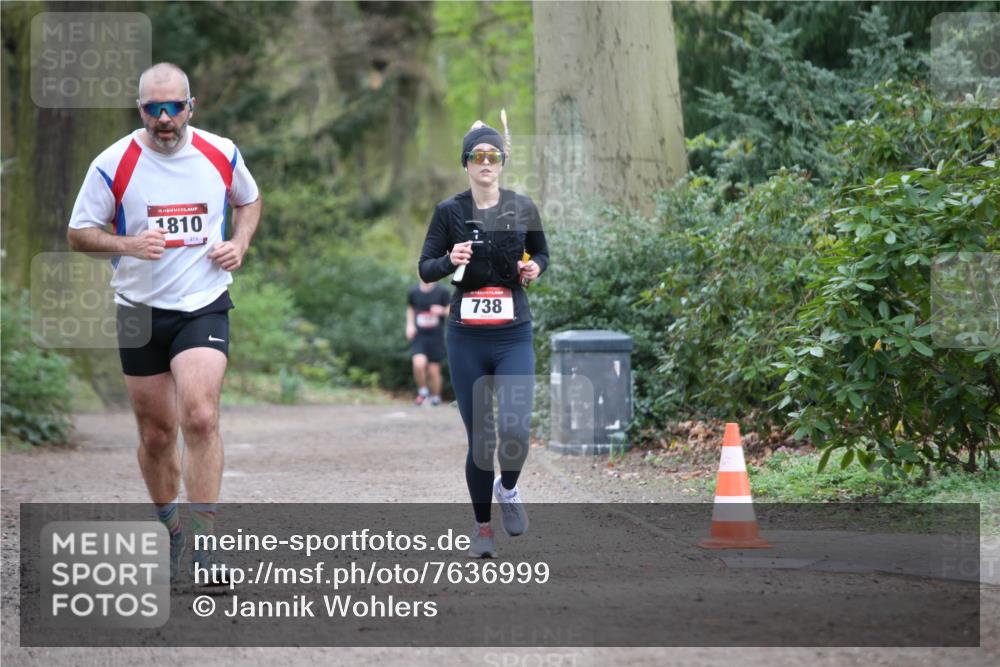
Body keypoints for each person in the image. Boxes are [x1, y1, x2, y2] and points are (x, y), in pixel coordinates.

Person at [66, 63, 262, 584]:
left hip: (203, 302)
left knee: (200, 416)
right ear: (141, 111)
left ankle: (206, 545)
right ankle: (172, 531)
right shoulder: (113, 163)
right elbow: (78, 233)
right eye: (154, 108)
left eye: (174, 106)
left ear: (190, 106)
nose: (165, 117)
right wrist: (129, 244)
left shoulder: (221, 152)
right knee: (157, 434)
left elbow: (249, 200)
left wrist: (238, 244)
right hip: (138, 309)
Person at [418, 121, 549, 557]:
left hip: (513, 333)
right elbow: (425, 268)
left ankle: (508, 489)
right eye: (478, 156)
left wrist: (535, 269)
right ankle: (483, 530)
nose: (486, 163)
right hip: (466, 337)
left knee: (515, 430)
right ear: (467, 163)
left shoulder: (523, 207)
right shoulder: (448, 211)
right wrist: (447, 259)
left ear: (502, 163)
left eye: (493, 156)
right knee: (482, 441)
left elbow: (542, 253)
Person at [406, 280, 450, 406]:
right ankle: (423, 392)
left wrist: (442, 310)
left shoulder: (442, 291)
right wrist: (409, 325)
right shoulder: (413, 291)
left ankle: (436, 397)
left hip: (436, 336)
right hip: (419, 335)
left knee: (433, 371)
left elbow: (452, 310)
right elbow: (410, 308)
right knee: (418, 364)